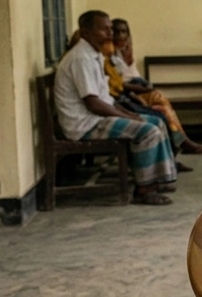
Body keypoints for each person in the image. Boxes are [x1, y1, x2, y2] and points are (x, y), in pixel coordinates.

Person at [54, 11, 177, 206]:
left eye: (110, 28)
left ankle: (156, 180)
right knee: (149, 131)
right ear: (85, 32)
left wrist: (130, 114)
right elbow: (93, 103)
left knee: (157, 121)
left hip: (97, 117)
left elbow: (106, 98)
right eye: (104, 29)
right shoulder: (81, 58)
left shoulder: (94, 55)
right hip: (85, 124)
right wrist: (127, 117)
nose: (110, 33)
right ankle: (144, 190)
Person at [109, 18, 202, 155]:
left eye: (124, 31)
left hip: (134, 89)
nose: (120, 35)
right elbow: (119, 84)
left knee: (162, 104)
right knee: (161, 109)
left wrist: (145, 87)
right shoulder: (107, 53)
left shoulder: (125, 50)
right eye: (116, 31)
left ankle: (180, 145)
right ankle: (182, 143)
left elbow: (132, 75)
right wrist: (144, 89)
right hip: (126, 95)